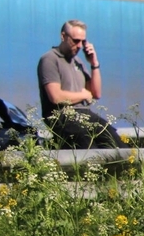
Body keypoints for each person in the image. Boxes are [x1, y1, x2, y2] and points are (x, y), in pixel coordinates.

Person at [37, 19, 121, 149]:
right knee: (87, 144)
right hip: (62, 116)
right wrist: (82, 95)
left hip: (85, 114)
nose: (80, 45)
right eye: (76, 41)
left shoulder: (78, 62)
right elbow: (56, 97)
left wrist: (94, 64)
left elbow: (96, 93)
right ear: (63, 36)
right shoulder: (50, 59)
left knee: (115, 142)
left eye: (83, 41)